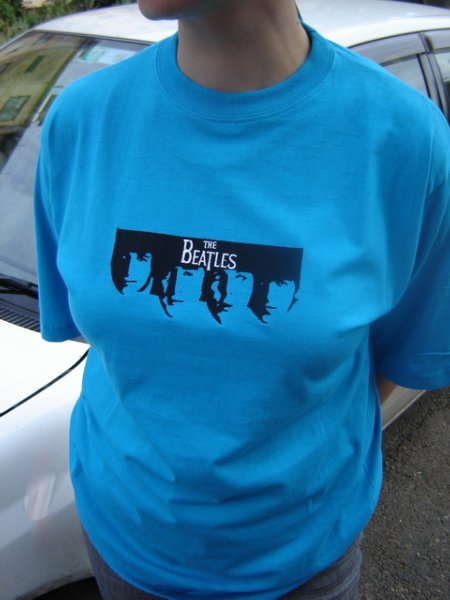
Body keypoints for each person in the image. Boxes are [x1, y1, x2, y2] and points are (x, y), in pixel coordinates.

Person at [34, 0, 450, 598]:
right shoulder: (81, 122)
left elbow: (397, 354)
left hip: (301, 564)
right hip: (121, 541)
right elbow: (103, 332)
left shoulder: (405, 141)